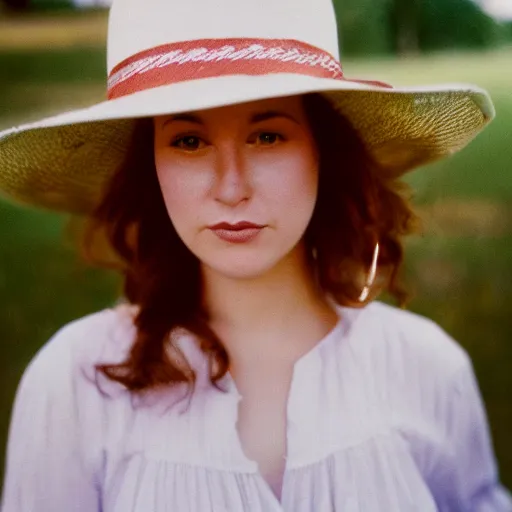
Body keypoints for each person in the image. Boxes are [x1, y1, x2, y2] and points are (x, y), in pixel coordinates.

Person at [0, 0, 511, 510]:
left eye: (267, 136)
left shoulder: (426, 370)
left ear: (323, 146)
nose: (231, 187)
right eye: (189, 140)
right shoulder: (76, 382)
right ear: (150, 164)